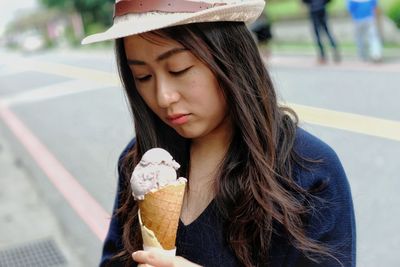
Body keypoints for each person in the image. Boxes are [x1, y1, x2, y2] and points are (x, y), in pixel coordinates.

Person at [82, 0, 356, 266]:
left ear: (231, 55)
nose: (163, 97)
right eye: (143, 77)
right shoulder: (140, 162)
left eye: (179, 69)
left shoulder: (310, 171)